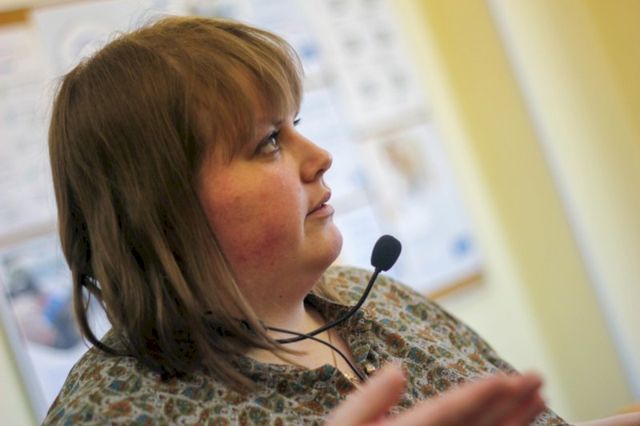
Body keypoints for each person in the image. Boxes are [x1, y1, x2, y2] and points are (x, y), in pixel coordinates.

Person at [42, 16, 568, 425]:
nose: (320, 156)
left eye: (295, 123)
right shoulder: (112, 413)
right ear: (161, 205)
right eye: (270, 140)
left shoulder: (382, 300)